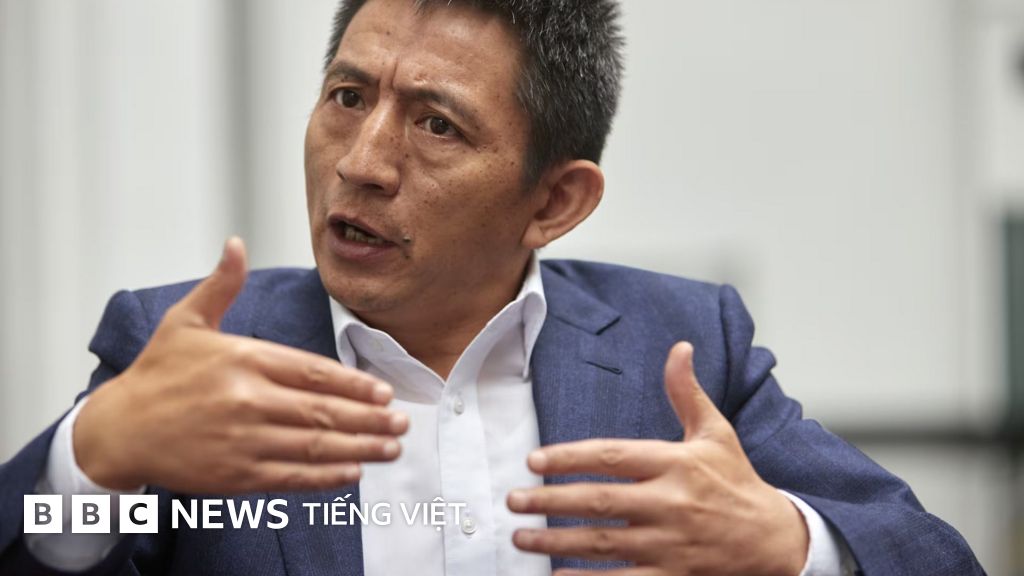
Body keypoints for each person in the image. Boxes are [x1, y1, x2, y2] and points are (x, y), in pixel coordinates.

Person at [0, 0, 985, 574]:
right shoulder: (194, 352)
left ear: (554, 200)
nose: (361, 163)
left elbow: (932, 555)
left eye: (436, 125)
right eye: (347, 97)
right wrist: (92, 463)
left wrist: (785, 542)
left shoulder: (679, 349)